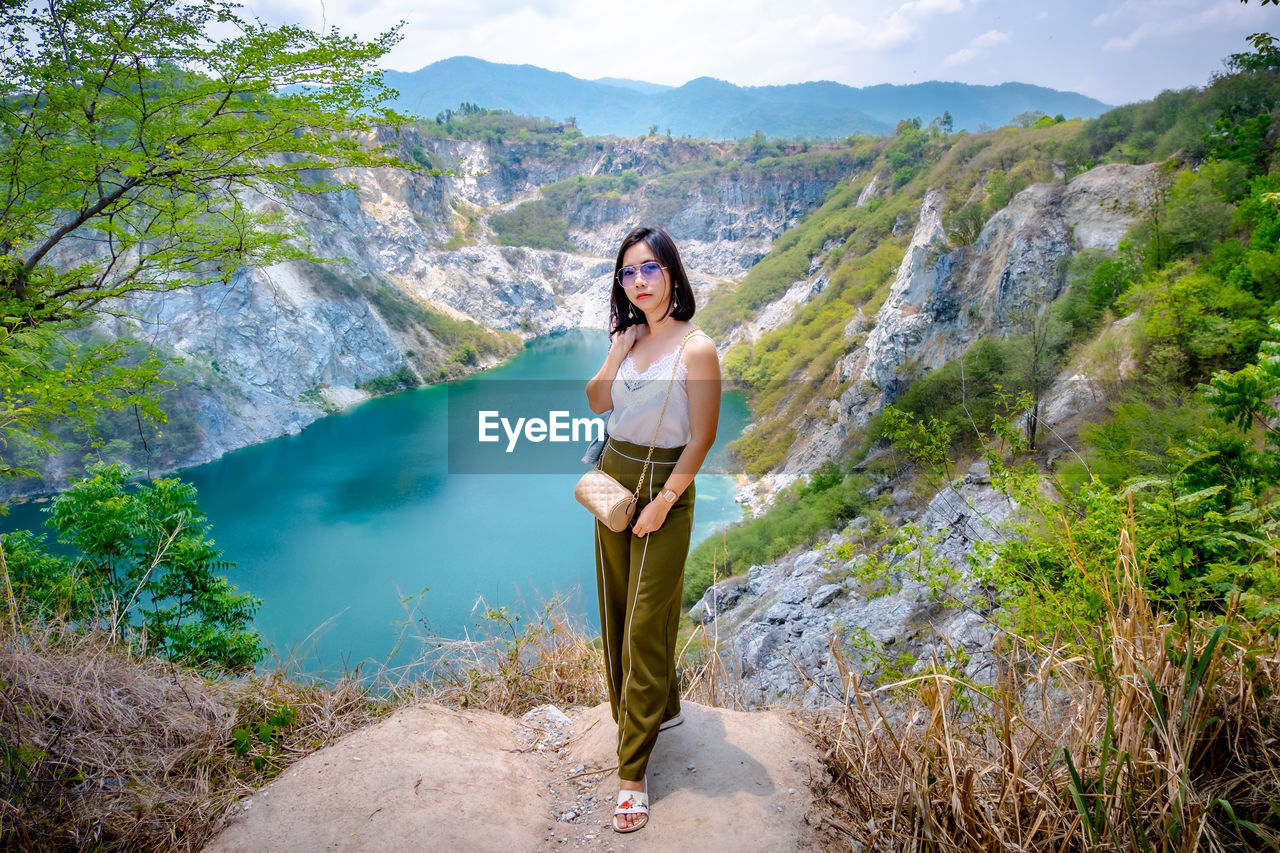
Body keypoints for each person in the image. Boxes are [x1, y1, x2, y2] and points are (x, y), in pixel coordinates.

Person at [584, 225, 721, 834]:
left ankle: (632, 771)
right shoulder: (631, 339)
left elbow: (702, 437)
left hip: (666, 486)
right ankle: (658, 708)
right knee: (618, 607)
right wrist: (617, 349)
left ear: (673, 273)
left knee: (646, 616)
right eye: (628, 272)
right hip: (614, 480)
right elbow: (595, 402)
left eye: (649, 269)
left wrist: (666, 500)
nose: (638, 281)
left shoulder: (696, 348)